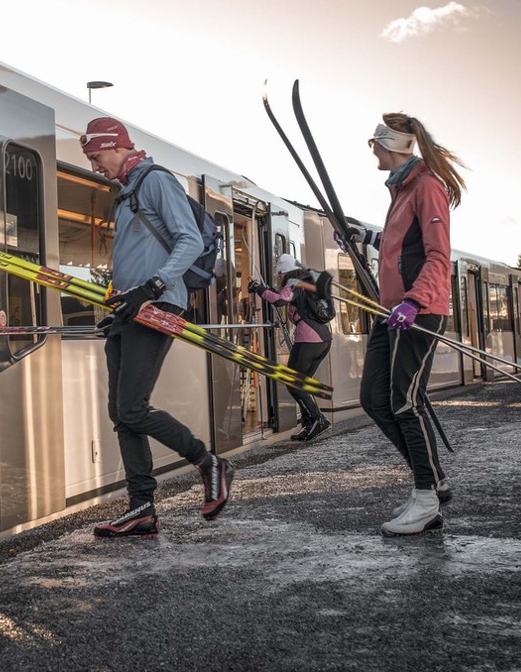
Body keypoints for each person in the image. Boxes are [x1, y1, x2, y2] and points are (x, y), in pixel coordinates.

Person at [81, 116, 233, 538]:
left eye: (96, 157)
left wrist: (153, 285)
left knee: (132, 407)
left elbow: (190, 240)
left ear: (117, 146)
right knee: (121, 413)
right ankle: (142, 508)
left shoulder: (155, 181)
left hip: (156, 305)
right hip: (131, 309)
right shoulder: (127, 191)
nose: (95, 166)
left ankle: (209, 463)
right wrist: (120, 300)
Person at [346, 112, 465, 537]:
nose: (372, 152)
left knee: (404, 402)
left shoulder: (426, 186)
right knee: (374, 399)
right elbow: (401, 245)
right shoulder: (401, 190)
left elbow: (437, 256)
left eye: (375, 145)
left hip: (417, 311)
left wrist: (414, 301)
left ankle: (426, 499)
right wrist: (366, 237)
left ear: (389, 146)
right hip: (391, 309)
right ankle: (431, 479)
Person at [248, 253, 332, 441]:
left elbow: (279, 300)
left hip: (309, 339)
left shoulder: (293, 282)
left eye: (279, 273)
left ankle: (318, 420)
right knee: (301, 383)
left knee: (293, 382)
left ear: (284, 271)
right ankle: (309, 424)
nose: (279, 276)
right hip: (323, 339)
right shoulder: (304, 282)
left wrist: (259, 289)